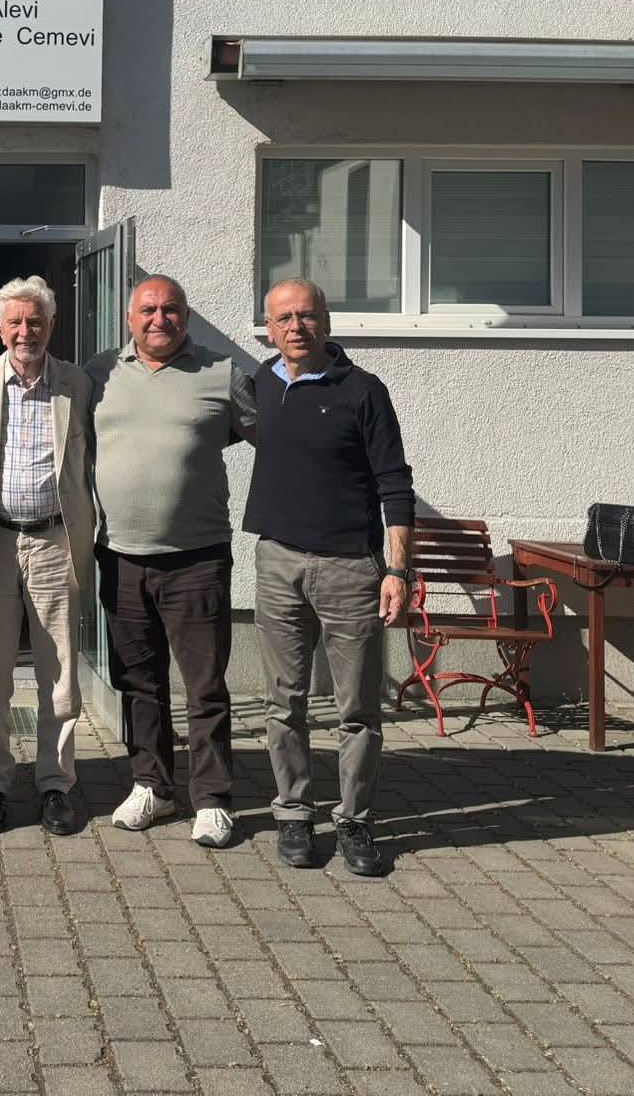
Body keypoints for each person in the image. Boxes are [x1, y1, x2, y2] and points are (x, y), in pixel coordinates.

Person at [246, 278, 414, 879]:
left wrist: (397, 570)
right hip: (277, 561)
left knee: (357, 709)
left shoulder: (363, 391)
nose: (297, 327)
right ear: (269, 329)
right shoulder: (261, 385)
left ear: (327, 321)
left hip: (350, 567)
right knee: (283, 702)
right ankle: (294, 813)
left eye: (307, 315)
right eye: (284, 318)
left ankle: (355, 820)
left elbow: (395, 483)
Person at [85, 274, 256, 848]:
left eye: (171, 309)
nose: (160, 319)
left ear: (187, 314)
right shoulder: (99, 374)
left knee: (204, 687)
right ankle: (152, 786)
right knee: (138, 683)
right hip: (120, 556)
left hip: (197, 560)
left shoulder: (222, 373)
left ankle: (212, 798)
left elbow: (272, 440)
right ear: (130, 319)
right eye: (148, 310)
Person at [0, 276, 93, 837]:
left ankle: (56, 784)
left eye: (35, 321)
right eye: (14, 321)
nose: (25, 331)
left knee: (59, 674)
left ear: (51, 325)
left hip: (56, 541)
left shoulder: (78, 384)